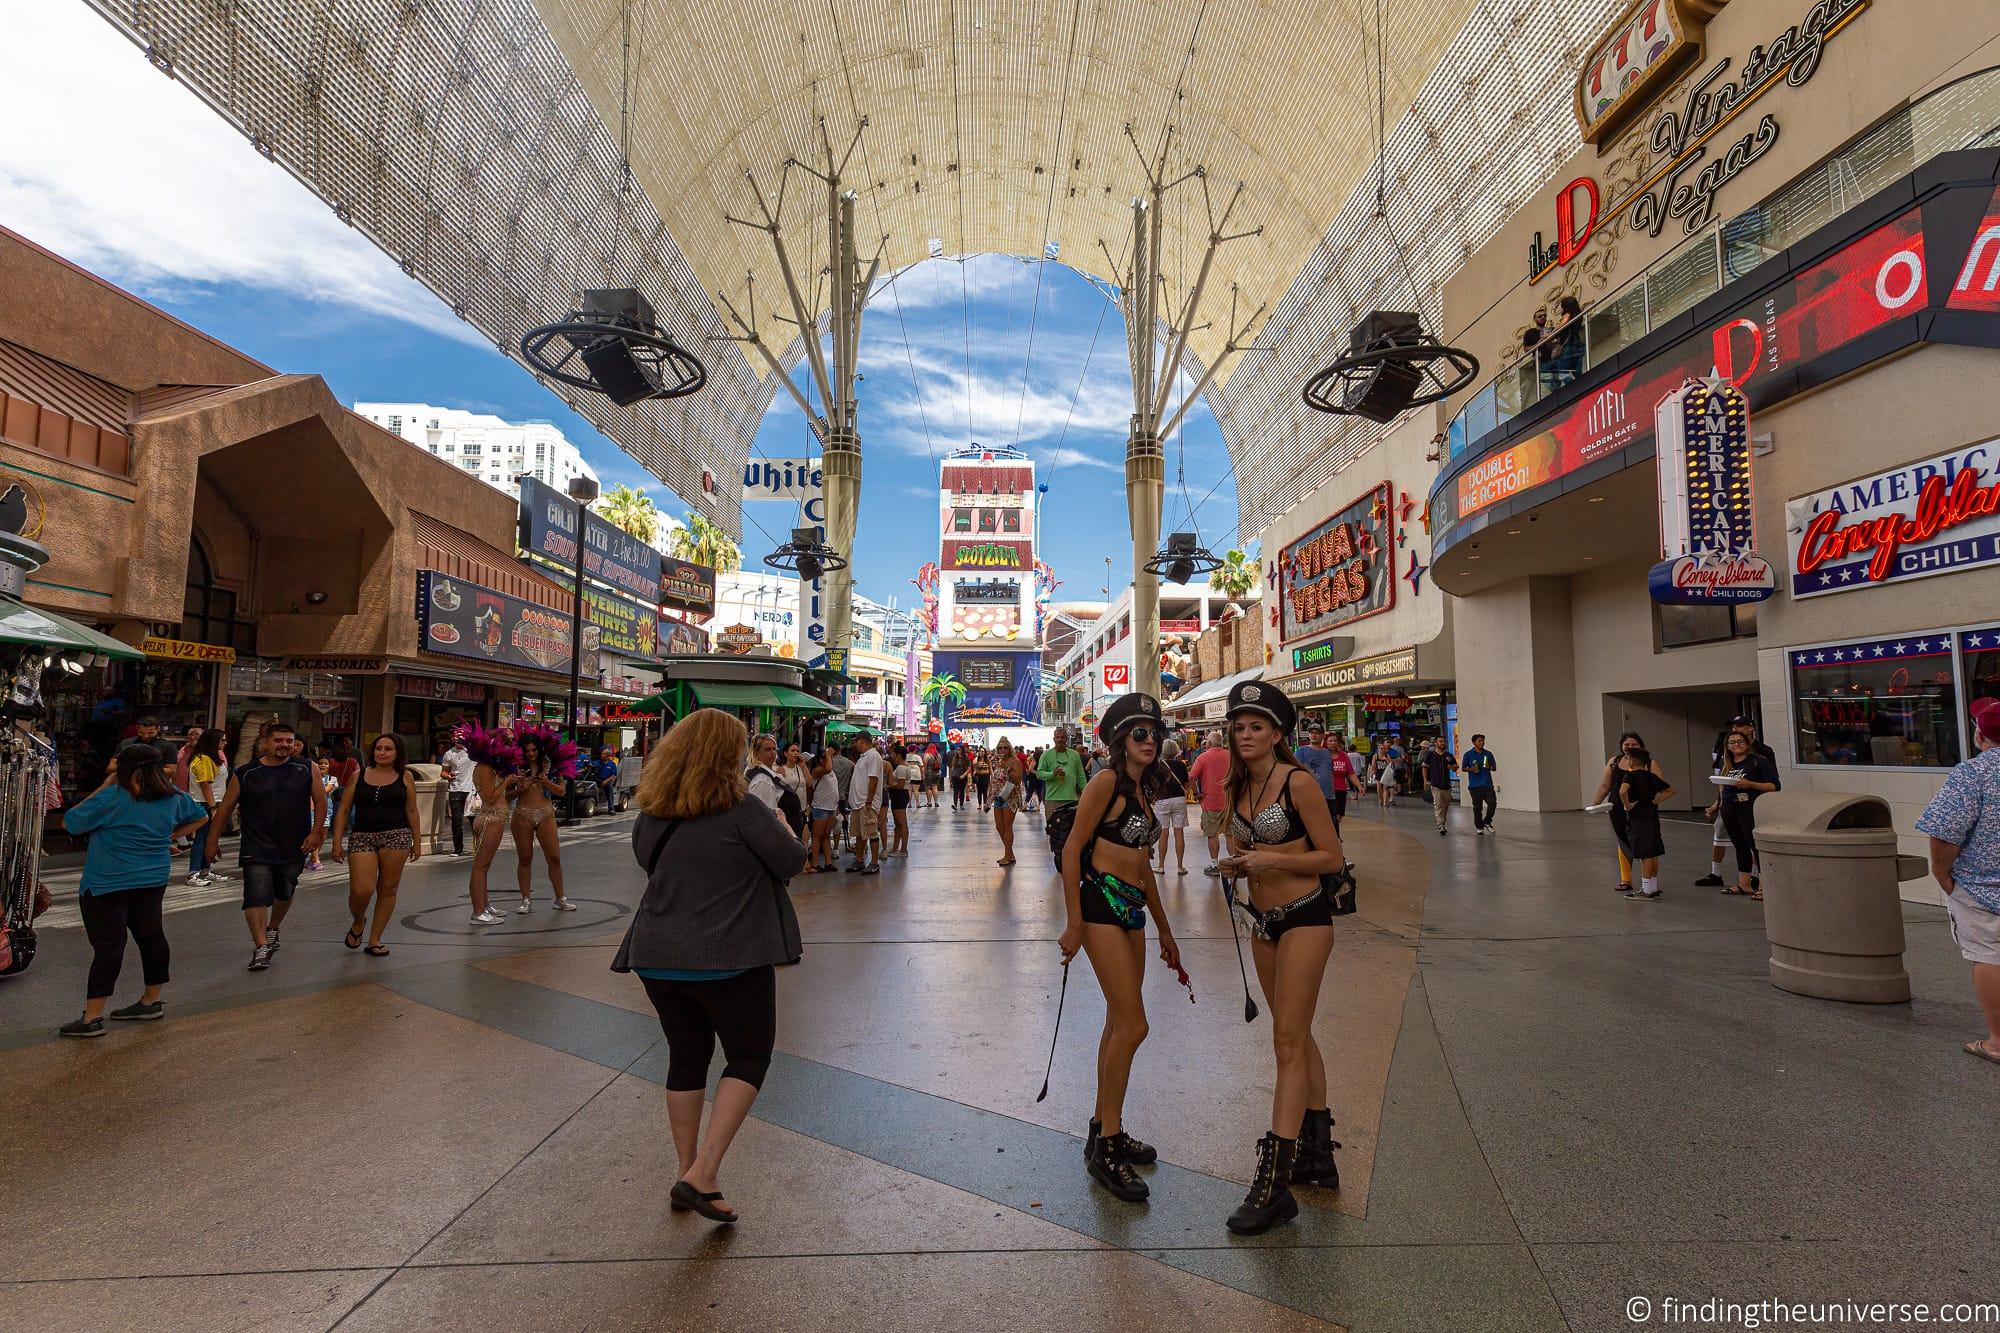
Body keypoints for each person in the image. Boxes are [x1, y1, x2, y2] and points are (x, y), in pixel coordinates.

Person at [613, 708, 807, 1224]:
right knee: (748, 1056)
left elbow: (647, 864)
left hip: (657, 957)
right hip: (730, 958)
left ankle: (688, 1171)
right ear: (728, 754)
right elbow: (792, 862)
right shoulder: (743, 808)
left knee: (686, 1056)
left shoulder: (653, 812)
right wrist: (785, 825)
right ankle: (704, 1171)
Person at [1215, 679, 1345, 1235]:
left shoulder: (1298, 782)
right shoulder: (1237, 785)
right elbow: (1248, 849)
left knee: (1286, 1041)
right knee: (1296, 1033)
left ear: (1277, 733)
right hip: (1262, 924)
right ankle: (1319, 1153)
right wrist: (1238, 862)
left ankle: (1275, 1183)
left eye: (1257, 727)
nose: (1246, 735)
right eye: (1239, 727)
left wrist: (1267, 861)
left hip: (1306, 919)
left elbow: (1332, 858)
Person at [1057, 693, 1180, 1204]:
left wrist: (1166, 931)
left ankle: (1106, 1127)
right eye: (1140, 734)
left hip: (1131, 910)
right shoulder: (1106, 783)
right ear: (1119, 740)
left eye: (1154, 733)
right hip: (1102, 904)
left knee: (1116, 1023)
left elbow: (1143, 865)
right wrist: (1073, 923)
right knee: (1134, 1024)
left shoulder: (1143, 790)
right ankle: (1106, 1146)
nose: (1150, 741)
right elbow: (1071, 849)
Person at [56, 744, 210, 1037]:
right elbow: (201, 816)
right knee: (151, 937)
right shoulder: (173, 797)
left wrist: (105, 783)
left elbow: (70, 823)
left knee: (108, 947)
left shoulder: (113, 795)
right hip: (152, 879)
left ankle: (92, 1018)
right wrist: (169, 835)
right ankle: (151, 1001)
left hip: (106, 882)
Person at [1915, 697, 2000, 1066]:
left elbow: (1945, 832)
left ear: (1980, 734)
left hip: (1982, 886)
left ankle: (1998, 1041)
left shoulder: (1973, 773)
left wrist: (1942, 875)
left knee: (1989, 957)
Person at [205, 722, 325, 971]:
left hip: (294, 842)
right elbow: (226, 808)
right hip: (256, 843)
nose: (284, 745)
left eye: (289, 741)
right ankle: (261, 947)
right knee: (255, 893)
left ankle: (273, 927)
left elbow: (320, 800)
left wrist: (316, 832)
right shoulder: (246, 772)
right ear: (266, 743)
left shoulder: (306, 768)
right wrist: (212, 840)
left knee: (286, 889)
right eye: (279, 740)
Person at [330, 733, 422, 955]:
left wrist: (417, 841)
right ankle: (359, 920)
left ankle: (375, 939)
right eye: (379, 748)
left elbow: (411, 810)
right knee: (361, 890)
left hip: (397, 835)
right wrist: (336, 841)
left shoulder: (405, 776)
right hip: (363, 835)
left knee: (388, 889)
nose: (382, 752)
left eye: (388, 748)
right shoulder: (358, 775)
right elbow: (343, 809)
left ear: (397, 752)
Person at [1696, 718, 1777, 887]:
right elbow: (1723, 786)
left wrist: (1751, 784)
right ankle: (1744, 884)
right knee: (1739, 844)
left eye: (1740, 741)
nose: (1736, 744)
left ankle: (1763, 885)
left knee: (1753, 844)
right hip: (1729, 807)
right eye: (1732, 742)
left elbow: (1775, 785)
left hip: (1750, 807)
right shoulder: (1727, 763)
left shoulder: (1758, 760)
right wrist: (1716, 804)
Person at [458, 722, 519, 925]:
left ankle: (485, 904)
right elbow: (491, 798)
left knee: (485, 866)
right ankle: (478, 911)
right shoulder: (484, 768)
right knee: (480, 866)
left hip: (496, 817)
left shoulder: (492, 768)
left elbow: (503, 797)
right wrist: (506, 782)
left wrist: (515, 787)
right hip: (489, 818)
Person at [512, 725, 576, 912]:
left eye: (534, 750)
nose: (531, 754)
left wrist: (546, 782)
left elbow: (562, 791)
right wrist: (519, 788)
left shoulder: (551, 765)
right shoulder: (516, 766)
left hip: (546, 814)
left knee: (554, 857)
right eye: (527, 751)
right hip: (522, 814)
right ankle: (525, 899)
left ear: (540, 749)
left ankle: (560, 898)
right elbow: (505, 796)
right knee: (525, 858)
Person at [1592, 732, 1662, 894]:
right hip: (1617, 809)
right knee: (1623, 841)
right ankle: (1626, 880)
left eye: (1634, 744)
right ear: (1621, 746)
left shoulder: (1650, 764)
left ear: (1641, 747)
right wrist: (1596, 803)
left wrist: (1651, 802)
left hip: (1642, 811)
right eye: (1627, 744)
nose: (1630, 747)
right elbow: (1605, 784)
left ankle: (1651, 883)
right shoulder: (1614, 762)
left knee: (1649, 846)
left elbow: (1660, 787)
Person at [1617, 749, 1675, 900]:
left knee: (1645, 854)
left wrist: (1627, 804)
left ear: (1632, 761)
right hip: (1652, 817)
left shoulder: (1630, 775)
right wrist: (1656, 801)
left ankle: (1647, 889)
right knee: (1653, 851)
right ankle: (1653, 886)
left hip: (1638, 818)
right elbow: (1670, 790)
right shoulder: (1652, 777)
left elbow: (1622, 791)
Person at [184, 727, 228, 887]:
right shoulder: (203, 759)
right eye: (222, 739)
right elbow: (205, 785)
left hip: (213, 802)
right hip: (205, 803)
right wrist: (213, 807)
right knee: (201, 839)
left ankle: (205, 869)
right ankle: (193, 873)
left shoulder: (211, 757)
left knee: (209, 839)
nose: (225, 742)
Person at [1187, 729, 1231, 876]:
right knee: (1230, 835)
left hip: (1210, 802)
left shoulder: (1202, 758)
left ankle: (1214, 864)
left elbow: (1191, 777)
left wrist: (1196, 793)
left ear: (1210, 743)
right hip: (1230, 803)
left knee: (1212, 835)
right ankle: (1233, 863)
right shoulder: (1231, 756)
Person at [1152, 738, 1190, 875]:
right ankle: (1180, 866)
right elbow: (1186, 784)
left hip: (1163, 800)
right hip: (1179, 799)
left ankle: (1161, 866)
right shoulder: (1181, 765)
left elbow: (1153, 785)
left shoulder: (1158, 766)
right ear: (1175, 750)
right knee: (1179, 832)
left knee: (1164, 832)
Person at [846, 734, 884, 874]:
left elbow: (873, 779)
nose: (855, 744)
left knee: (871, 832)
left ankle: (874, 863)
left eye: (856, 741)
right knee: (859, 833)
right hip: (858, 803)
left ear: (862, 741)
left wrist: (869, 800)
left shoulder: (873, 756)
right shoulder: (863, 757)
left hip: (866, 803)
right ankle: (859, 859)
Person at [1037, 726, 1089, 822]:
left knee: (1070, 830)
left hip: (1071, 799)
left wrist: (1086, 792)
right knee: (1053, 830)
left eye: (1062, 737)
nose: (1060, 740)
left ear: (1066, 739)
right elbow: (1039, 774)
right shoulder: (1046, 755)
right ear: (1054, 739)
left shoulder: (1075, 754)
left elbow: (1081, 776)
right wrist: (1052, 774)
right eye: (1058, 737)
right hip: (1052, 799)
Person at [1294, 724, 1338, 831]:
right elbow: (1294, 771)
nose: (1314, 735)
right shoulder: (1301, 751)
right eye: (1312, 733)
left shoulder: (1327, 752)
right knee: (1312, 827)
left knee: (1332, 827)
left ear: (1322, 736)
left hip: (1329, 795)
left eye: (1317, 733)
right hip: (1309, 796)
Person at [440, 732, 475, 854]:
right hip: (455, 789)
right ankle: (458, 848)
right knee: (456, 820)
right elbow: (443, 772)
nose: (458, 741)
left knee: (474, 820)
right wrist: (448, 776)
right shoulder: (449, 754)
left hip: (471, 790)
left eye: (460, 739)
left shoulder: (472, 751)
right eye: (456, 739)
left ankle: (478, 847)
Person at [990, 737, 1023, 866]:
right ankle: (1010, 854)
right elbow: (994, 780)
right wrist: (990, 797)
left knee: (1008, 826)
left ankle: (1007, 855)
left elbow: (1018, 780)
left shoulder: (1015, 761)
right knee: (999, 826)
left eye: (1005, 747)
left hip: (1011, 796)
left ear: (1010, 749)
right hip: (998, 796)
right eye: (1000, 748)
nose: (1002, 750)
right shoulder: (997, 762)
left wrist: (1008, 769)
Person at [808, 749, 840, 873]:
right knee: (817, 836)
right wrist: (828, 754)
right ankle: (815, 863)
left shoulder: (831, 773)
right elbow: (827, 769)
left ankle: (828, 862)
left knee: (826, 836)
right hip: (820, 807)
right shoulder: (817, 771)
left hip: (830, 807)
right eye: (826, 758)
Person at [1462, 734, 1498, 834]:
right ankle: (1479, 827)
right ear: (1474, 742)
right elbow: (1463, 768)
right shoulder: (1468, 754)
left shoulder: (1488, 754)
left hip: (1487, 784)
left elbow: (1494, 768)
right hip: (1474, 786)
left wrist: (1489, 766)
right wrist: (1471, 769)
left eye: (1482, 741)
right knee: (1477, 808)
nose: (1481, 743)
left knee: (1492, 803)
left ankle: (1487, 821)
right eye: (1479, 741)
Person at [1421, 736, 1458, 836]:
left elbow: (1455, 767)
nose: (1442, 743)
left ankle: (1443, 822)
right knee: (1438, 805)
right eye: (1440, 741)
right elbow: (1424, 767)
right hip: (1435, 784)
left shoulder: (1448, 755)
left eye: (1444, 741)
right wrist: (1425, 780)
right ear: (1436, 743)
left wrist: (1452, 767)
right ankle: (1440, 825)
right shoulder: (1430, 755)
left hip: (1447, 785)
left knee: (1445, 805)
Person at [886, 742, 915, 858]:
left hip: (900, 795)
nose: (892, 756)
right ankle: (895, 848)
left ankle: (903, 849)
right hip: (899, 796)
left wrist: (889, 786)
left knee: (902, 823)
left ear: (898, 755)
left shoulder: (901, 768)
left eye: (894, 754)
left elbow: (900, 785)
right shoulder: (903, 767)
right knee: (898, 823)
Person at [1327, 732, 1354, 833]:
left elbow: (1351, 772)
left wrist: (1359, 786)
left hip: (1341, 790)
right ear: (1326, 742)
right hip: (1327, 791)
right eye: (1330, 741)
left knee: (1338, 816)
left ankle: (1335, 835)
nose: (1333, 743)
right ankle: (1332, 836)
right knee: (1329, 816)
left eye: (1335, 741)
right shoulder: (1323, 755)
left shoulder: (1343, 755)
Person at [1369, 744, 1397, 809]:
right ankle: (1380, 799)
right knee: (1379, 788)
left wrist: (1386, 759)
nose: (1382, 749)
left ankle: (1385, 802)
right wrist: (1372, 772)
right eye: (1381, 748)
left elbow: (1390, 763)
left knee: (1385, 788)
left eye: (1383, 748)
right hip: (1379, 772)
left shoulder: (1387, 755)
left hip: (1386, 773)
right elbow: (1373, 765)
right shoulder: (1375, 756)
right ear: (1378, 749)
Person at [948, 745, 970, 810]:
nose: (958, 751)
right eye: (957, 750)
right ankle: (955, 804)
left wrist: (964, 775)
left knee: (961, 791)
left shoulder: (966, 758)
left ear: (962, 750)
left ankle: (961, 804)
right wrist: (951, 777)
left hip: (963, 777)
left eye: (959, 749)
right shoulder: (955, 758)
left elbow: (969, 768)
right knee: (955, 791)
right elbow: (952, 767)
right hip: (955, 776)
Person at [972, 747, 992, 811]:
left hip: (986, 776)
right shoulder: (977, 759)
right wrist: (977, 757)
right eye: (980, 751)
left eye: (983, 751)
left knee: (985, 790)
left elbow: (990, 768)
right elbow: (973, 763)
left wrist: (992, 776)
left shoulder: (987, 760)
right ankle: (979, 804)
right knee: (979, 791)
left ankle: (985, 804)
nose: (981, 752)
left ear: (985, 752)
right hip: (979, 776)